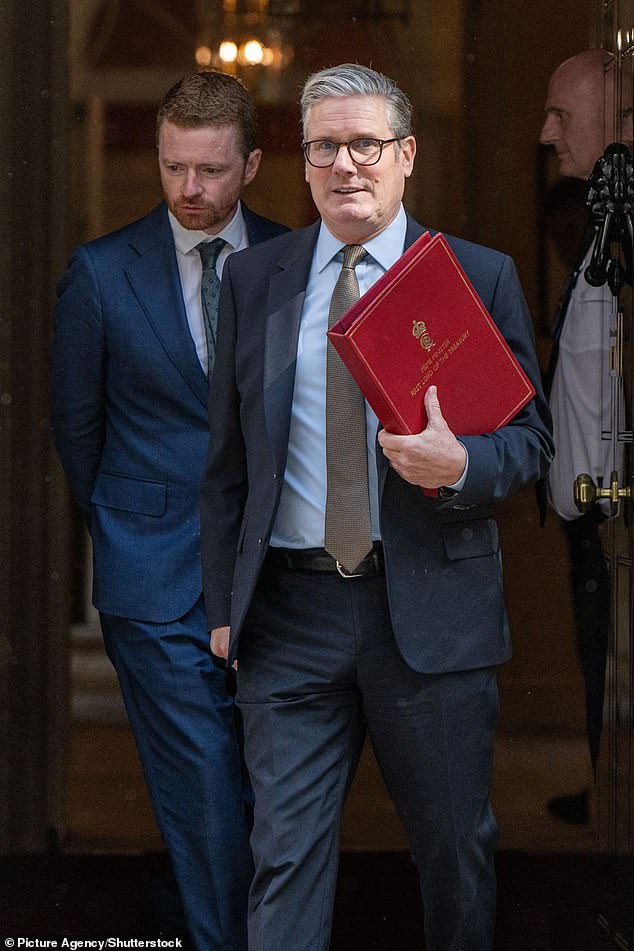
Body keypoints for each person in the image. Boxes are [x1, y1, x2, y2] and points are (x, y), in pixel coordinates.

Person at [199, 63, 553, 951]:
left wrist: (460, 461)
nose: (344, 164)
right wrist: (221, 608)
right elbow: (227, 466)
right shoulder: (255, 279)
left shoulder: (474, 273)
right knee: (282, 855)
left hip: (429, 612)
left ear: (406, 157)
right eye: (325, 146)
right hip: (290, 614)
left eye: (365, 144)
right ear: (304, 162)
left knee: (453, 851)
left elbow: (533, 441)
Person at [50, 71, 288, 950]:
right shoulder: (102, 275)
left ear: (252, 165)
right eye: (173, 166)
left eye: (212, 171)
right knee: (202, 790)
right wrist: (129, 527)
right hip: (155, 578)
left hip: (276, 579)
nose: (190, 189)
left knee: (273, 792)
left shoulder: (293, 262)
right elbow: (78, 433)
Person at [539, 49, 628, 823]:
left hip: (620, 512)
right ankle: (612, 789)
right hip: (592, 512)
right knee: (598, 654)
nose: (545, 132)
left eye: (561, 115)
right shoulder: (602, 220)